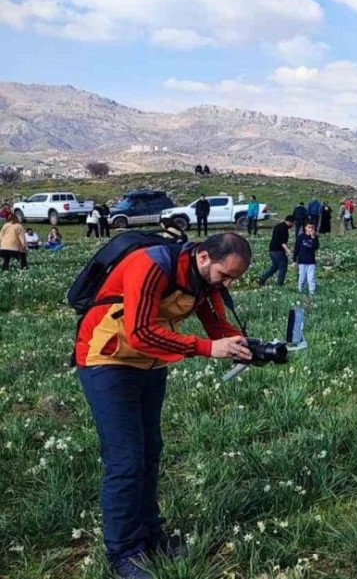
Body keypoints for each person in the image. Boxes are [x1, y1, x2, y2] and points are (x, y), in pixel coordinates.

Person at [74, 233, 251, 578]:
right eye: (225, 275)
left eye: (234, 278)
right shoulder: (151, 264)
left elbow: (217, 327)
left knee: (150, 452)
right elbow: (139, 331)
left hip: (150, 364)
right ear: (203, 257)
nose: (228, 283)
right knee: (125, 460)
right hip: (107, 360)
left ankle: (152, 538)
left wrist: (248, 347)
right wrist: (205, 349)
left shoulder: (202, 282)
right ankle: (124, 553)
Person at [258, 216, 294, 287]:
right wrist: (288, 251)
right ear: (290, 222)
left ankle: (262, 278)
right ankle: (279, 284)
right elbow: (282, 242)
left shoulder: (278, 226)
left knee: (275, 266)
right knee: (283, 267)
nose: (292, 225)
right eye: (292, 223)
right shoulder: (284, 229)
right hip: (278, 250)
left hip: (272, 249)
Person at [294, 222, 320, 296]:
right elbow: (296, 248)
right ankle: (300, 291)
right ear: (305, 228)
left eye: (312, 227)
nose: (311, 229)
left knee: (311, 278)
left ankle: (312, 292)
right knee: (302, 278)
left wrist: (313, 237)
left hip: (311, 261)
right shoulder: (301, 237)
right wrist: (294, 259)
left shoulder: (315, 237)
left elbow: (316, 247)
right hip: (302, 261)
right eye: (309, 227)